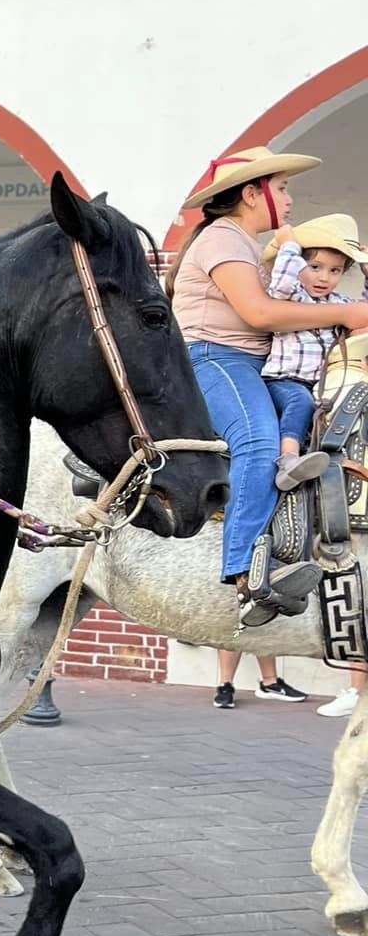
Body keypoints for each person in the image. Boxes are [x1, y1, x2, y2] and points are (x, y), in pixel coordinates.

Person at [170, 146, 368, 629]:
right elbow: (261, 314)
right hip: (217, 358)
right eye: (281, 187)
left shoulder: (248, 246)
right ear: (251, 194)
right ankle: (247, 574)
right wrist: (343, 313)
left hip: (258, 365)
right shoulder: (223, 238)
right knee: (259, 443)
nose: (289, 197)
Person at [262, 213, 363, 482]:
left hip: (319, 383)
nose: (324, 278)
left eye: (335, 270)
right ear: (297, 265)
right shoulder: (292, 296)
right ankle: (288, 460)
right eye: (315, 267)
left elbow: (363, 312)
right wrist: (289, 247)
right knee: (300, 402)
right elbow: (282, 282)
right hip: (284, 380)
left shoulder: (340, 302)